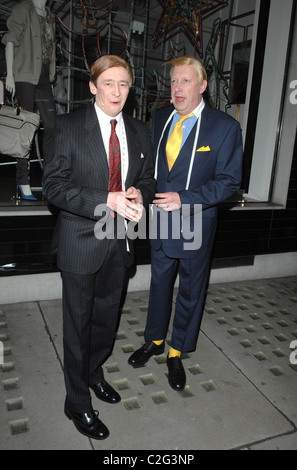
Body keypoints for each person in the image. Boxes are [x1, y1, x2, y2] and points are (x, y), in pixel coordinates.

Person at [43, 55, 155, 440]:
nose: (117, 91)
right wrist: (105, 199)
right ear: (93, 86)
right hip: (80, 241)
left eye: (123, 84)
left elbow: (149, 179)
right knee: (78, 324)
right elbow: (54, 188)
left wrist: (142, 191)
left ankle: (93, 374)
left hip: (120, 241)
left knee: (107, 320)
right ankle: (76, 401)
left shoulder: (140, 131)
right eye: (108, 83)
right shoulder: (69, 126)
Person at [128, 55, 243, 392]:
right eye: (174, 81)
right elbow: (153, 166)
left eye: (185, 81)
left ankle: (177, 351)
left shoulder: (224, 127)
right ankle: (155, 341)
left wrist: (186, 198)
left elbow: (229, 182)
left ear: (203, 86)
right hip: (161, 221)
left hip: (195, 222)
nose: (177, 88)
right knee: (159, 284)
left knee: (191, 291)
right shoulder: (161, 116)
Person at [2, 0, 56, 200]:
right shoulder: (23, 9)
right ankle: (22, 181)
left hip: (44, 77)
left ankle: (49, 179)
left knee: (52, 126)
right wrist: (10, 75)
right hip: (24, 75)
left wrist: (51, 76)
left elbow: (49, 48)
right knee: (25, 128)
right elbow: (10, 40)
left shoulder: (50, 14)